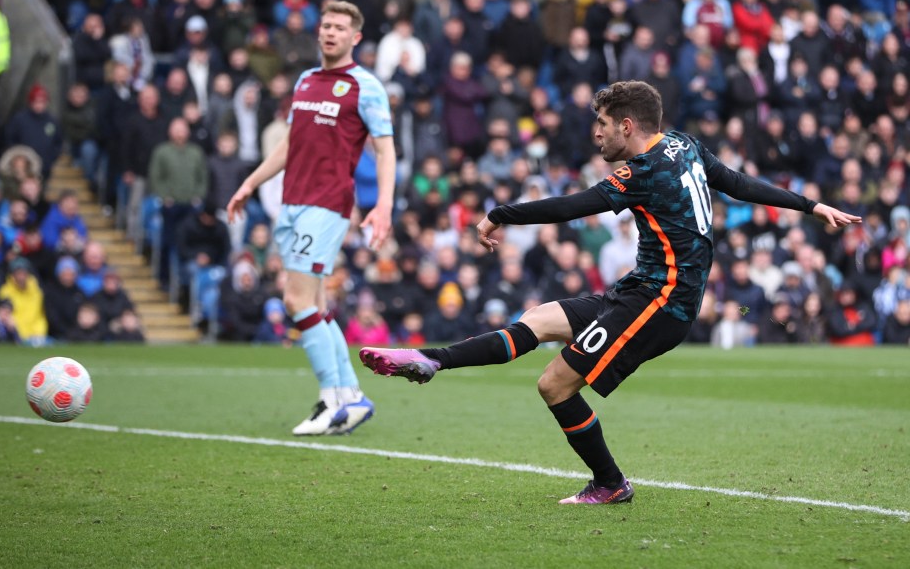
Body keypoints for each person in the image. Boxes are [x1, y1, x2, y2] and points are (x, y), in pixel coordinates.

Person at [359, 81, 861, 505]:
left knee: (554, 385)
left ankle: (610, 484)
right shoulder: (682, 145)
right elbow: (736, 182)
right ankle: (430, 361)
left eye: (600, 123)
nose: (594, 133)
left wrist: (500, 215)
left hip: (662, 304)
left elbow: (572, 207)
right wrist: (811, 204)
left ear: (626, 125)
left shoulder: (641, 170)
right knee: (539, 319)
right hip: (640, 290)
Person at [226, 1, 395, 436]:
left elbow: (385, 149)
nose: (330, 32)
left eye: (340, 27)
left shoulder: (365, 86)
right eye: (326, 25)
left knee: (295, 301)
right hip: (292, 202)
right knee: (316, 307)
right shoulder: (304, 81)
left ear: (355, 37)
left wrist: (384, 206)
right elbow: (288, 146)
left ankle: (334, 399)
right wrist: (250, 182)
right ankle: (350, 397)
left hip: (327, 204)